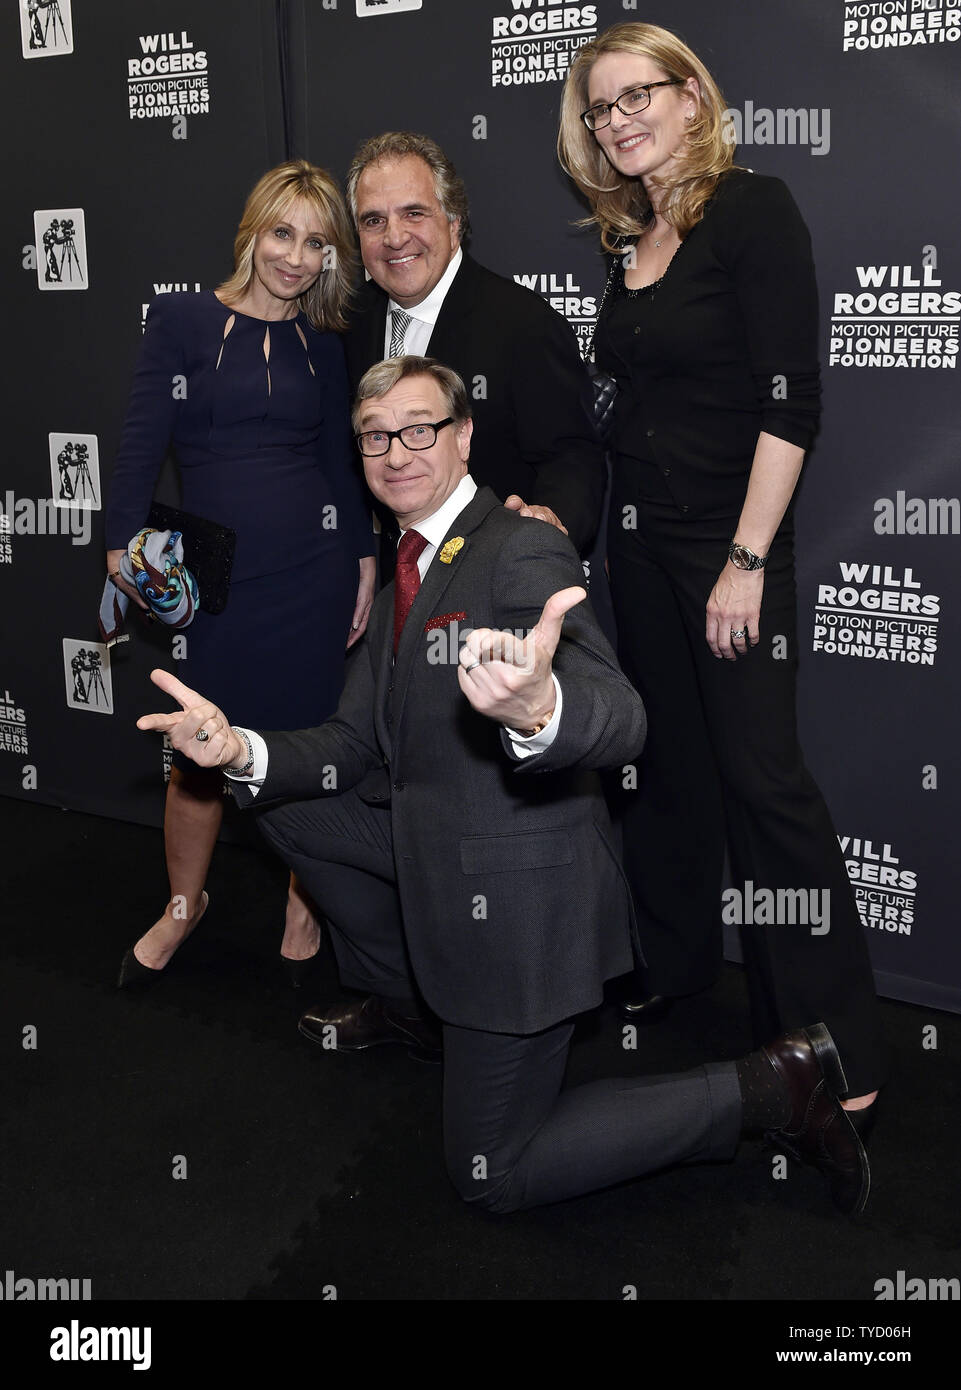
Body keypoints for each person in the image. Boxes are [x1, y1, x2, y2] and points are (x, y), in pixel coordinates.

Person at [136, 355, 870, 1217]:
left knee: (491, 1172)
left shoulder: (520, 545)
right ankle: (412, 998)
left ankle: (772, 1088)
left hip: (519, 905)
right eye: (375, 436)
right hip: (438, 847)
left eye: (419, 429)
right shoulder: (407, 555)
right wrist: (236, 750)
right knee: (283, 798)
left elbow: (619, 713)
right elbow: (345, 741)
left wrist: (540, 707)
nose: (395, 451)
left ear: (464, 437)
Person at [557, 22, 883, 1126]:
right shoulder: (626, 242)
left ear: (692, 95)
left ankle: (839, 1045)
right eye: (600, 109)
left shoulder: (751, 208)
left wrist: (745, 560)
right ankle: (681, 972)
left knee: (764, 786)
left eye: (637, 95)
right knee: (669, 775)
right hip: (640, 551)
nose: (619, 120)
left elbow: (791, 403)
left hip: (725, 547)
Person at [106, 160, 376, 988]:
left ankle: (307, 896)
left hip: (313, 572)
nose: (296, 257)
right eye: (283, 234)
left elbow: (337, 458)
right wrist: (121, 549)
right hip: (214, 580)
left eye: (317, 243)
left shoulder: (323, 342)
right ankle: (184, 906)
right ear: (253, 232)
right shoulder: (183, 320)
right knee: (196, 753)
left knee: (300, 747)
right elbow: (141, 438)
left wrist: (362, 558)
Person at [344, 130, 606, 559]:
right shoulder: (352, 322)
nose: (394, 237)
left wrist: (547, 529)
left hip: (493, 587)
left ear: (453, 222)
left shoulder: (523, 323)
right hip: (395, 589)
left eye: (414, 213)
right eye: (374, 220)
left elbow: (571, 456)